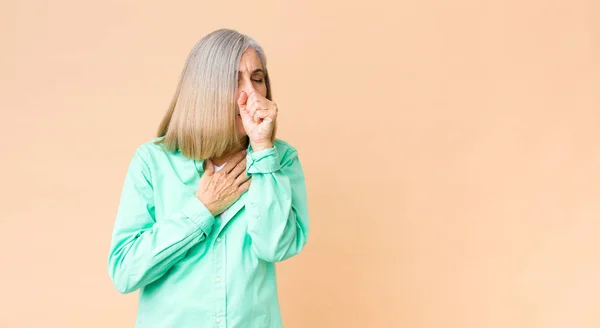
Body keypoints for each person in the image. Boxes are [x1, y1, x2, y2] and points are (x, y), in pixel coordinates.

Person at [107, 28, 310, 328]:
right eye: (234, 80)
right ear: (205, 90)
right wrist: (201, 210)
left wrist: (263, 151)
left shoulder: (280, 159)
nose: (251, 95)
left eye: (257, 78)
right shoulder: (153, 161)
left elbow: (275, 247)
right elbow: (125, 271)